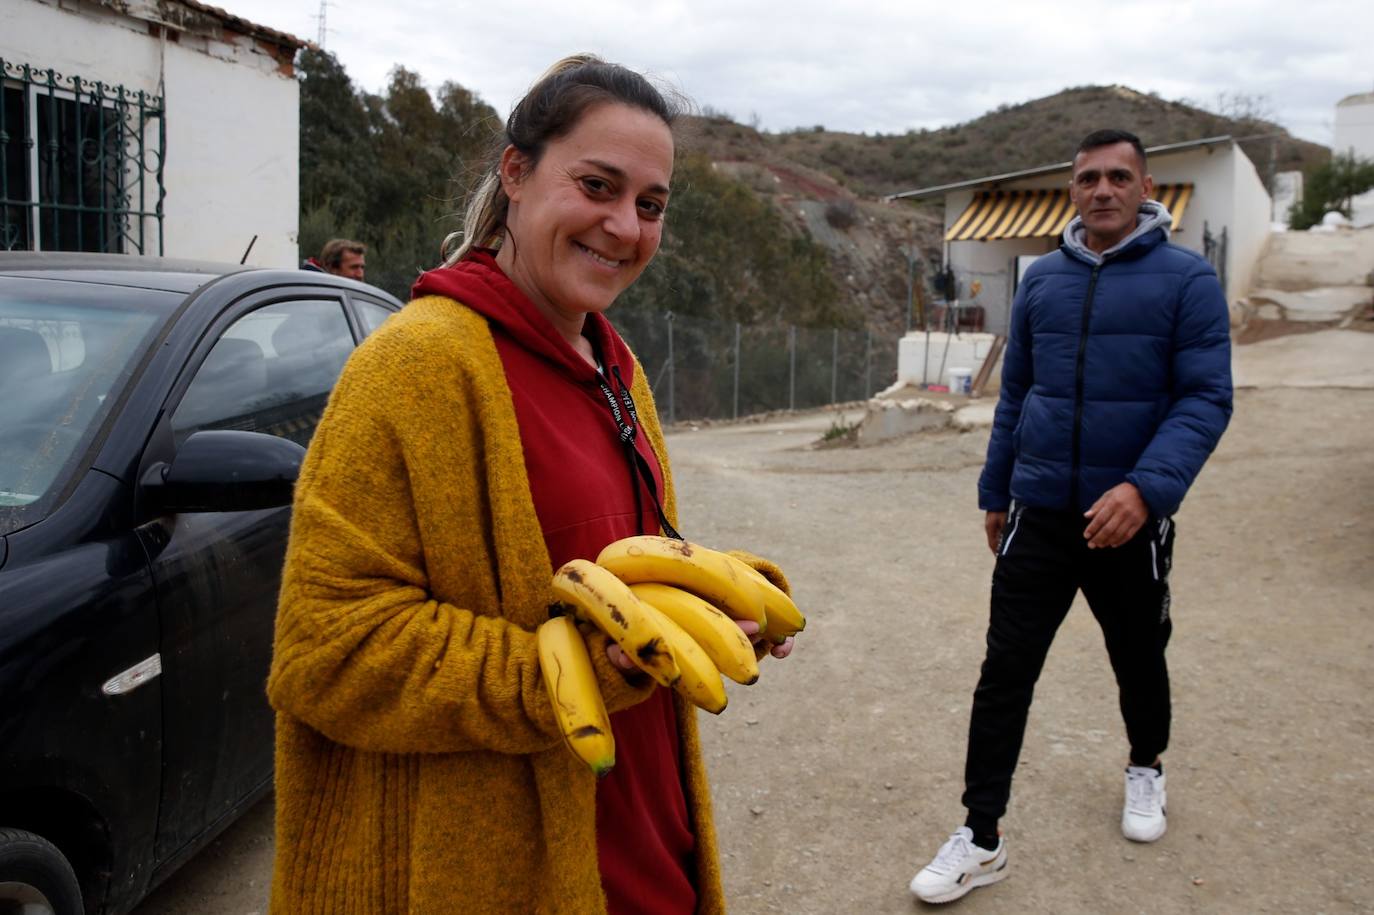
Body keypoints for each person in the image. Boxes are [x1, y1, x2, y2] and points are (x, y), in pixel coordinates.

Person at [266, 54, 793, 914]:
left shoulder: (615, 362)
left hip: (646, 835)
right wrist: (568, 674)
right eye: (597, 185)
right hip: (504, 869)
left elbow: (617, 564)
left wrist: (704, 609)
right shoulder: (413, 366)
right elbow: (326, 652)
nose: (625, 226)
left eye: (650, 205)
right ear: (515, 172)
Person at [910, 128, 1233, 904]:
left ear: (1145, 185)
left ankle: (1145, 766)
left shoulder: (1188, 281)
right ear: (1072, 190)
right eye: (1089, 177)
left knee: (1138, 656)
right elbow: (1017, 393)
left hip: (1129, 519)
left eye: (1120, 176)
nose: (1104, 189)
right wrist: (997, 489)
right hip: (1041, 514)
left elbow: (1205, 398)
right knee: (1004, 673)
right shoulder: (1043, 282)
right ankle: (980, 835)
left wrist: (1146, 490)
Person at [301, 238, 367, 279]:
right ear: (333, 268)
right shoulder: (317, 293)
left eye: (362, 267)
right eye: (354, 267)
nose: (360, 275)